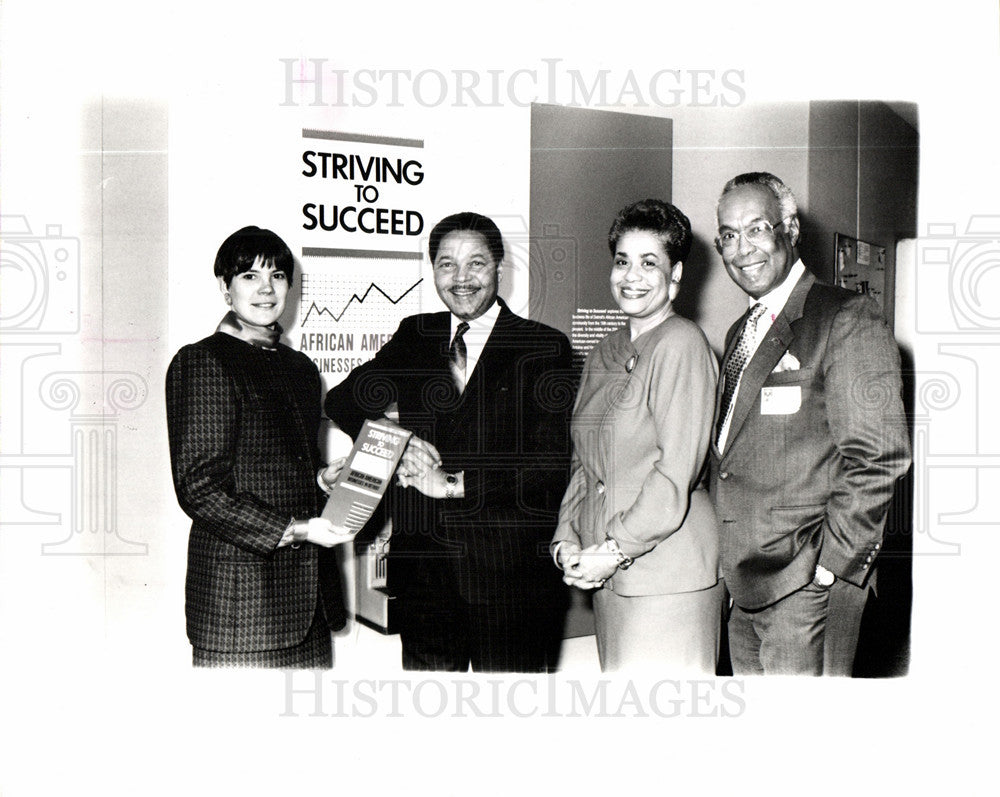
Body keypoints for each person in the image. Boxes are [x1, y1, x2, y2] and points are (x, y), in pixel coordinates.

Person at [324, 211, 573, 672]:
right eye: (446, 264)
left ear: (500, 266)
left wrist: (453, 483)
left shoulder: (545, 347)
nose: (461, 279)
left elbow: (550, 462)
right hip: (424, 577)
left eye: (476, 263)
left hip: (508, 578)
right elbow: (342, 400)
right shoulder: (415, 335)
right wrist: (396, 438)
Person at [710, 172, 911, 675]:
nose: (741, 249)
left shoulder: (847, 317)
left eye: (756, 229)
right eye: (729, 236)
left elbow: (881, 454)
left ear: (790, 230)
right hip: (745, 585)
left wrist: (831, 568)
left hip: (807, 586)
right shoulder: (743, 329)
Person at [166, 226, 349, 668]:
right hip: (243, 611)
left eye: (278, 276)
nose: (267, 289)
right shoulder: (204, 360)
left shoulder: (301, 368)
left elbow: (279, 467)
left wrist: (322, 479)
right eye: (249, 276)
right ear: (225, 289)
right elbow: (200, 488)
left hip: (310, 610)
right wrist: (300, 530)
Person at [551, 199, 722, 672]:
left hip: (669, 574)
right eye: (623, 261)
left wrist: (612, 550)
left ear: (677, 274)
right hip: (611, 573)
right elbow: (584, 464)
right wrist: (567, 537)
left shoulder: (682, 342)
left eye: (650, 263)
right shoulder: (604, 349)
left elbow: (674, 474)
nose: (632, 276)